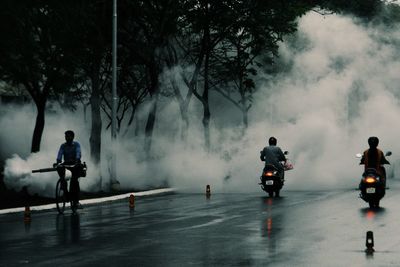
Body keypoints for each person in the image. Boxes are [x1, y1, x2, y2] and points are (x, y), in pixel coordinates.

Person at [55, 130, 83, 209]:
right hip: (66, 164)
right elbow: (60, 154)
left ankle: (76, 201)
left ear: (72, 137)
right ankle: (65, 192)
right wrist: (58, 162)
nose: (67, 138)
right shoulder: (63, 146)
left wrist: (77, 160)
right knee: (61, 175)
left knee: (74, 181)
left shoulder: (76, 145)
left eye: (68, 136)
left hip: (75, 164)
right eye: (66, 136)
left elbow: (78, 153)